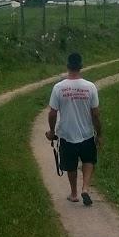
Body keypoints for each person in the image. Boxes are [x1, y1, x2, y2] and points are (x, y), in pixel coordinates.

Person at [45, 52, 101, 206]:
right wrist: (99, 134)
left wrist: (52, 132)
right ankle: (85, 188)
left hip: (67, 134)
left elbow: (52, 113)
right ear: (81, 67)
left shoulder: (58, 88)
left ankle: (74, 193)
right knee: (88, 160)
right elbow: (95, 114)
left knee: (70, 165)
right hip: (87, 134)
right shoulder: (90, 87)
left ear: (68, 66)